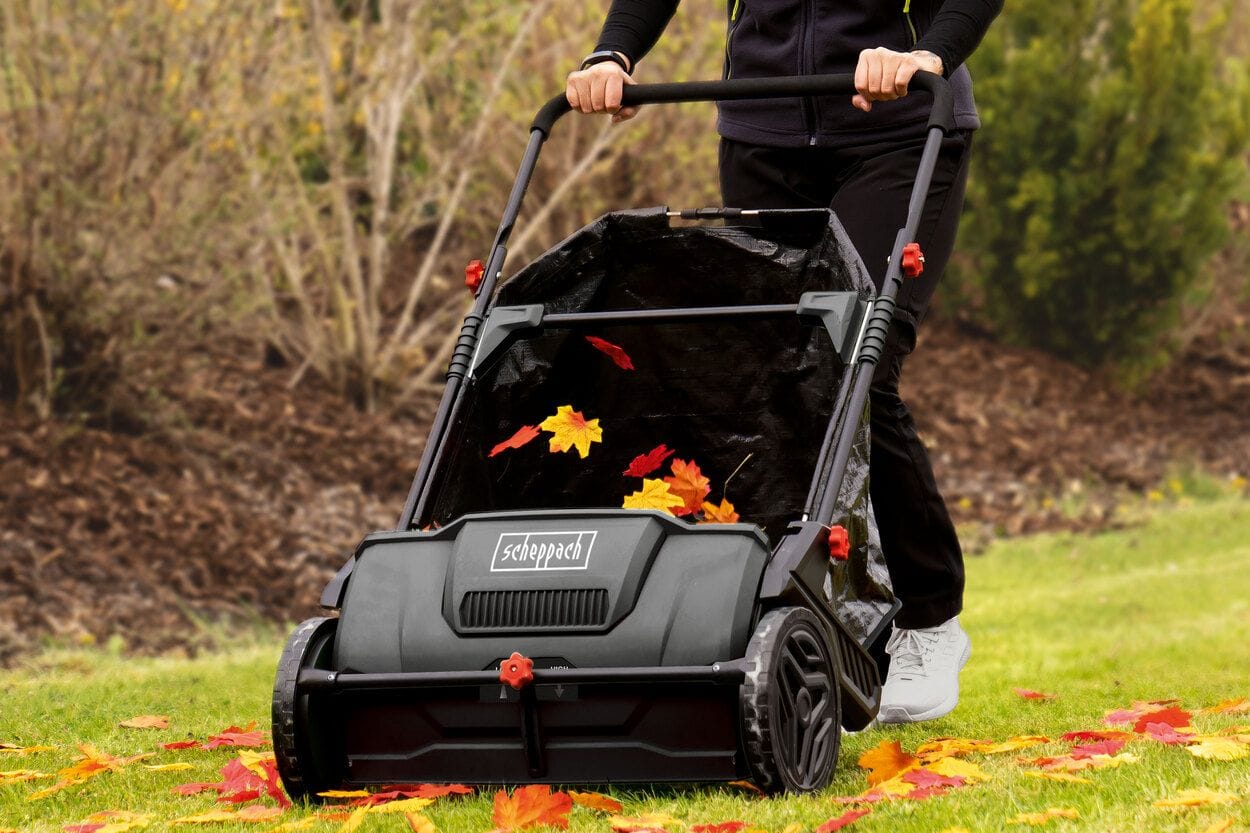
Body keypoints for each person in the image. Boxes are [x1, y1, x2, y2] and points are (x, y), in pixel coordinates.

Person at [566, 0, 1003, 724]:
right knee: (776, 379)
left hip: (897, 128)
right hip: (761, 133)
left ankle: (929, 619)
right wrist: (613, 53)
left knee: (855, 357)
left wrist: (929, 53)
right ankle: (807, 618)